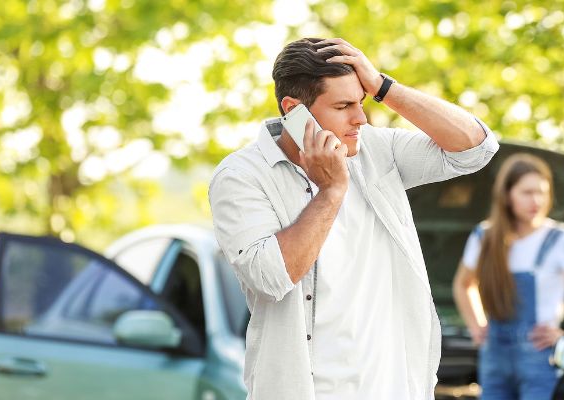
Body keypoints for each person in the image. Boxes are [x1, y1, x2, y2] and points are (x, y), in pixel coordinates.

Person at [208, 37, 499, 400]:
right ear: (294, 110)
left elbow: (476, 147)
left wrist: (383, 87)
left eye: (361, 102)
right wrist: (331, 192)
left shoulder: (376, 149)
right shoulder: (241, 176)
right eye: (344, 105)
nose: (360, 118)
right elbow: (270, 278)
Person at [452, 153, 564, 400]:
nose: (536, 200)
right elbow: (463, 284)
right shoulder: (485, 236)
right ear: (507, 195)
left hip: (540, 358)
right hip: (494, 357)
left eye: (542, 192)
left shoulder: (560, 238)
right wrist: (476, 326)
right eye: (527, 192)